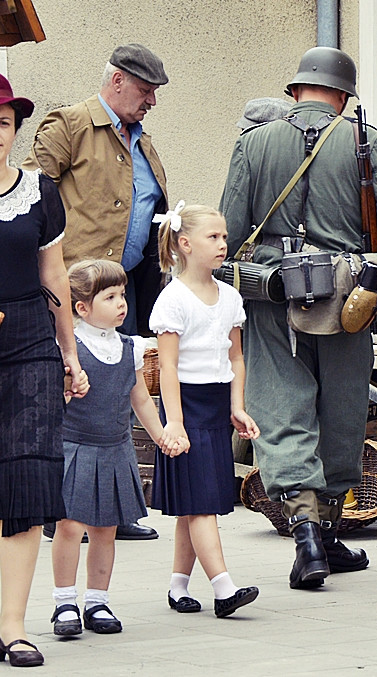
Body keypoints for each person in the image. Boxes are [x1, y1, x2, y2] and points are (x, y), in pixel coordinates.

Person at [220, 47, 377, 590]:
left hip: (272, 300)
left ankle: (309, 537)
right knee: (343, 409)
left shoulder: (252, 144)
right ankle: (324, 532)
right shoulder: (365, 142)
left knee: (282, 410)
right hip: (348, 302)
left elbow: (228, 240)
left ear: (296, 90)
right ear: (345, 96)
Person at [24, 43, 171, 542]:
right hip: (71, 296)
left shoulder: (142, 141)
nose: (151, 101)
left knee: (114, 402)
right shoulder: (70, 124)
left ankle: (112, 506)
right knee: (63, 402)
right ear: (117, 81)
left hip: (117, 297)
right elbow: (28, 195)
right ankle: (56, 509)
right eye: (146, 91)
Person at [0, 74, 88, 668]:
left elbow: (55, 277)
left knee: (26, 486)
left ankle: (11, 626)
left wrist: (70, 356)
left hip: (30, 343)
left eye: (1, 124)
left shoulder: (39, 191)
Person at [51, 261, 187, 638]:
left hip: (116, 448)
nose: (121, 303)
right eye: (110, 297)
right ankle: (64, 601)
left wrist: (161, 434)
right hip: (75, 448)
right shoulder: (69, 348)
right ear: (82, 308)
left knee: (105, 529)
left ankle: (97, 600)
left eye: (122, 295)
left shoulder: (131, 348)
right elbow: (54, 400)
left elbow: (140, 398)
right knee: (70, 525)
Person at [150, 203, 260, 618]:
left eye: (224, 237)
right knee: (201, 504)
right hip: (186, 407)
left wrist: (237, 407)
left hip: (215, 408)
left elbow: (236, 359)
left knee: (197, 503)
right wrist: (174, 421)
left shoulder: (230, 297)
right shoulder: (172, 300)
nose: (222, 244)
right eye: (213, 237)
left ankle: (179, 588)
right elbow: (168, 366)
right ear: (184, 244)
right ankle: (223, 587)